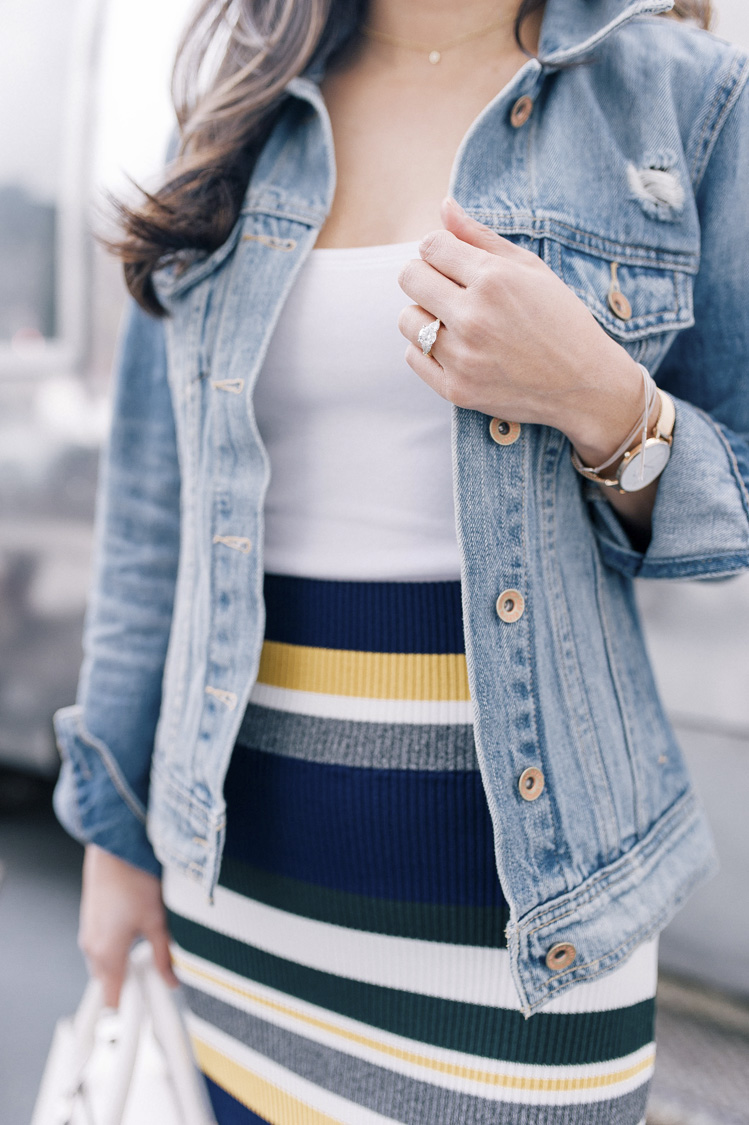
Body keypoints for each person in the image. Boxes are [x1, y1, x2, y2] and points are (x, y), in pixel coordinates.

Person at [53, 0, 749, 1121]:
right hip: (236, 893)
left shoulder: (686, 99)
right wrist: (115, 840)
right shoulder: (238, 109)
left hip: (528, 924)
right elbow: (149, 531)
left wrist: (602, 403)